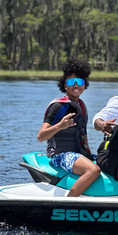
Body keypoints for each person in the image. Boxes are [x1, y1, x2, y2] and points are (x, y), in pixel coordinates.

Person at [37, 58, 100, 197]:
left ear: (85, 85)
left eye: (80, 82)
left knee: (107, 160)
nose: (76, 85)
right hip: (60, 155)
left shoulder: (82, 106)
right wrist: (60, 126)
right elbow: (41, 136)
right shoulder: (58, 106)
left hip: (78, 154)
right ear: (65, 85)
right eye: (71, 82)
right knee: (93, 170)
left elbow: (83, 134)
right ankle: (69, 202)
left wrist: (89, 154)